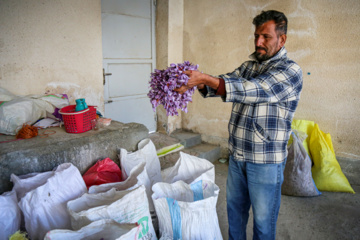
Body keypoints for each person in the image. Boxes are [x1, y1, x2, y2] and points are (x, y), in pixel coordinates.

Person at [175, 10, 303, 240]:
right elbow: (225, 83)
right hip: (238, 156)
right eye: (256, 36)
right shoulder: (249, 65)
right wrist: (195, 83)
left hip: (265, 162)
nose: (258, 42)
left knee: (263, 225)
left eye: (265, 37)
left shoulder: (290, 70)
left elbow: (253, 91)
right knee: (235, 216)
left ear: (282, 39)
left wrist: (205, 78)